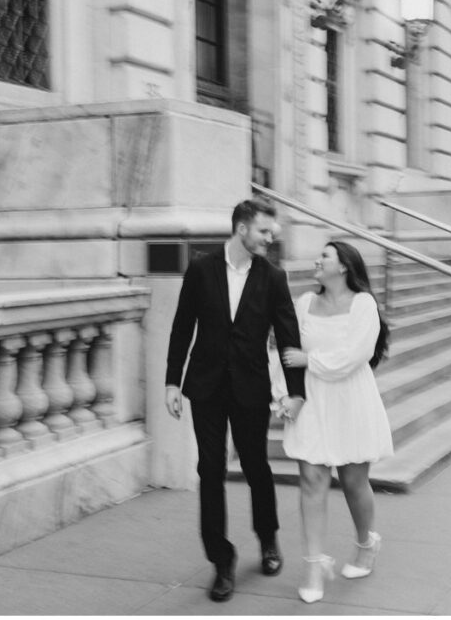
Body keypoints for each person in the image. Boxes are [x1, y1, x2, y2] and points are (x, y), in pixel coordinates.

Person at [164, 197, 307, 602]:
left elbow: (289, 336)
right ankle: (221, 561)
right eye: (264, 231)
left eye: (271, 232)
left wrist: (295, 392)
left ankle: (268, 537)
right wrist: (172, 382)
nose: (270, 237)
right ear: (242, 228)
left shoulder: (273, 277)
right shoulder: (200, 269)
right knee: (209, 469)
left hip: (249, 387)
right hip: (205, 386)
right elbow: (181, 327)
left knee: (256, 465)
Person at [281, 241, 393, 604]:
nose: (316, 259)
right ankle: (314, 565)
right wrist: (285, 395)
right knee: (311, 479)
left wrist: (309, 360)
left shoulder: (364, 305)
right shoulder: (303, 304)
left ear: (344, 266)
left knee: (353, 481)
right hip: (312, 399)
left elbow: (355, 355)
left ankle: (366, 543)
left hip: (351, 400)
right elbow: (283, 352)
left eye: (324, 256)